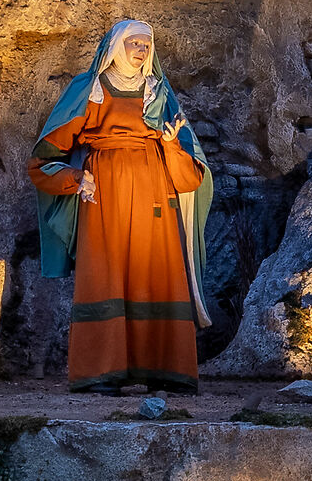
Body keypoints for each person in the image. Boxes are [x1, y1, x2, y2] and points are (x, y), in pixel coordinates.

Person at [31, 20, 214, 394]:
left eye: (147, 43)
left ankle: (163, 369)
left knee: (155, 272)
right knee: (106, 272)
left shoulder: (159, 93)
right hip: (106, 195)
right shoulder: (89, 90)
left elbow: (190, 171)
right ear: (115, 47)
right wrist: (76, 178)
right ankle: (102, 371)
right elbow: (44, 158)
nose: (141, 49)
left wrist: (168, 142)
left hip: (154, 190)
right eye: (133, 42)